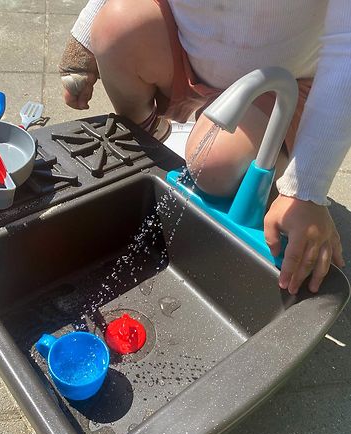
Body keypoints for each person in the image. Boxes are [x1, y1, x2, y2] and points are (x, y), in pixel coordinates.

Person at [59, 0, 350, 295]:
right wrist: (84, 41)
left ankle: (270, 179)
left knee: (215, 166)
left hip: (284, 82)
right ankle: (152, 138)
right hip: (191, 60)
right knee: (115, 28)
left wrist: (305, 191)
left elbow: (346, 49)